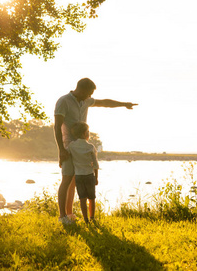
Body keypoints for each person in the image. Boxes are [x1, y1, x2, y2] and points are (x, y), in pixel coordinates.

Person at [54, 78, 137, 224]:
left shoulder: (86, 101)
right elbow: (57, 127)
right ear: (82, 89)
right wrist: (61, 150)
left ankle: (70, 213)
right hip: (68, 147)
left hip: (82, 147)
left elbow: (105, 102)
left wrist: (124, 104)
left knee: (74, 181)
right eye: (90, 93)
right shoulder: (63, 101)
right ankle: (62, 217)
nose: (90, 96)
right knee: (66, 180)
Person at [68, 122, 99, 223]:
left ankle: (85, 219)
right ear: (84, 134)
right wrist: (96, 177)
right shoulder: (90, 147)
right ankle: (92, 218)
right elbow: (95, 164)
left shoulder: (72, 146)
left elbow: (67, 153)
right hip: (89, 175)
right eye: (88, 132)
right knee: (92, 198)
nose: (89, 133)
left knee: (82, 199)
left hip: (78, 176)